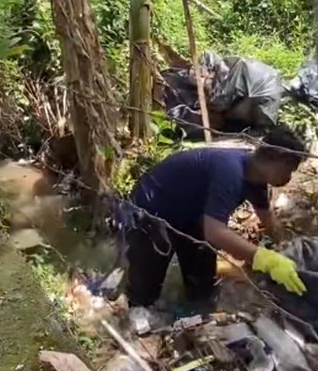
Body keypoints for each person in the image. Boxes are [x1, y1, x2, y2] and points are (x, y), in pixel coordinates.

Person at [126, 126, 307, 309]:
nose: (289, 178)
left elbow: (267, 218)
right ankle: (138, 318)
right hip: (150, 209)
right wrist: (263, 258)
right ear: (275, 159)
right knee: (145, 291)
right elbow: (215, 232)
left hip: (191, 213)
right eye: (289, 170)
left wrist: (284, 249)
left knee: (203, 284)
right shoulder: (230, 172)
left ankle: (197, 315)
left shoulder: (256, 178)